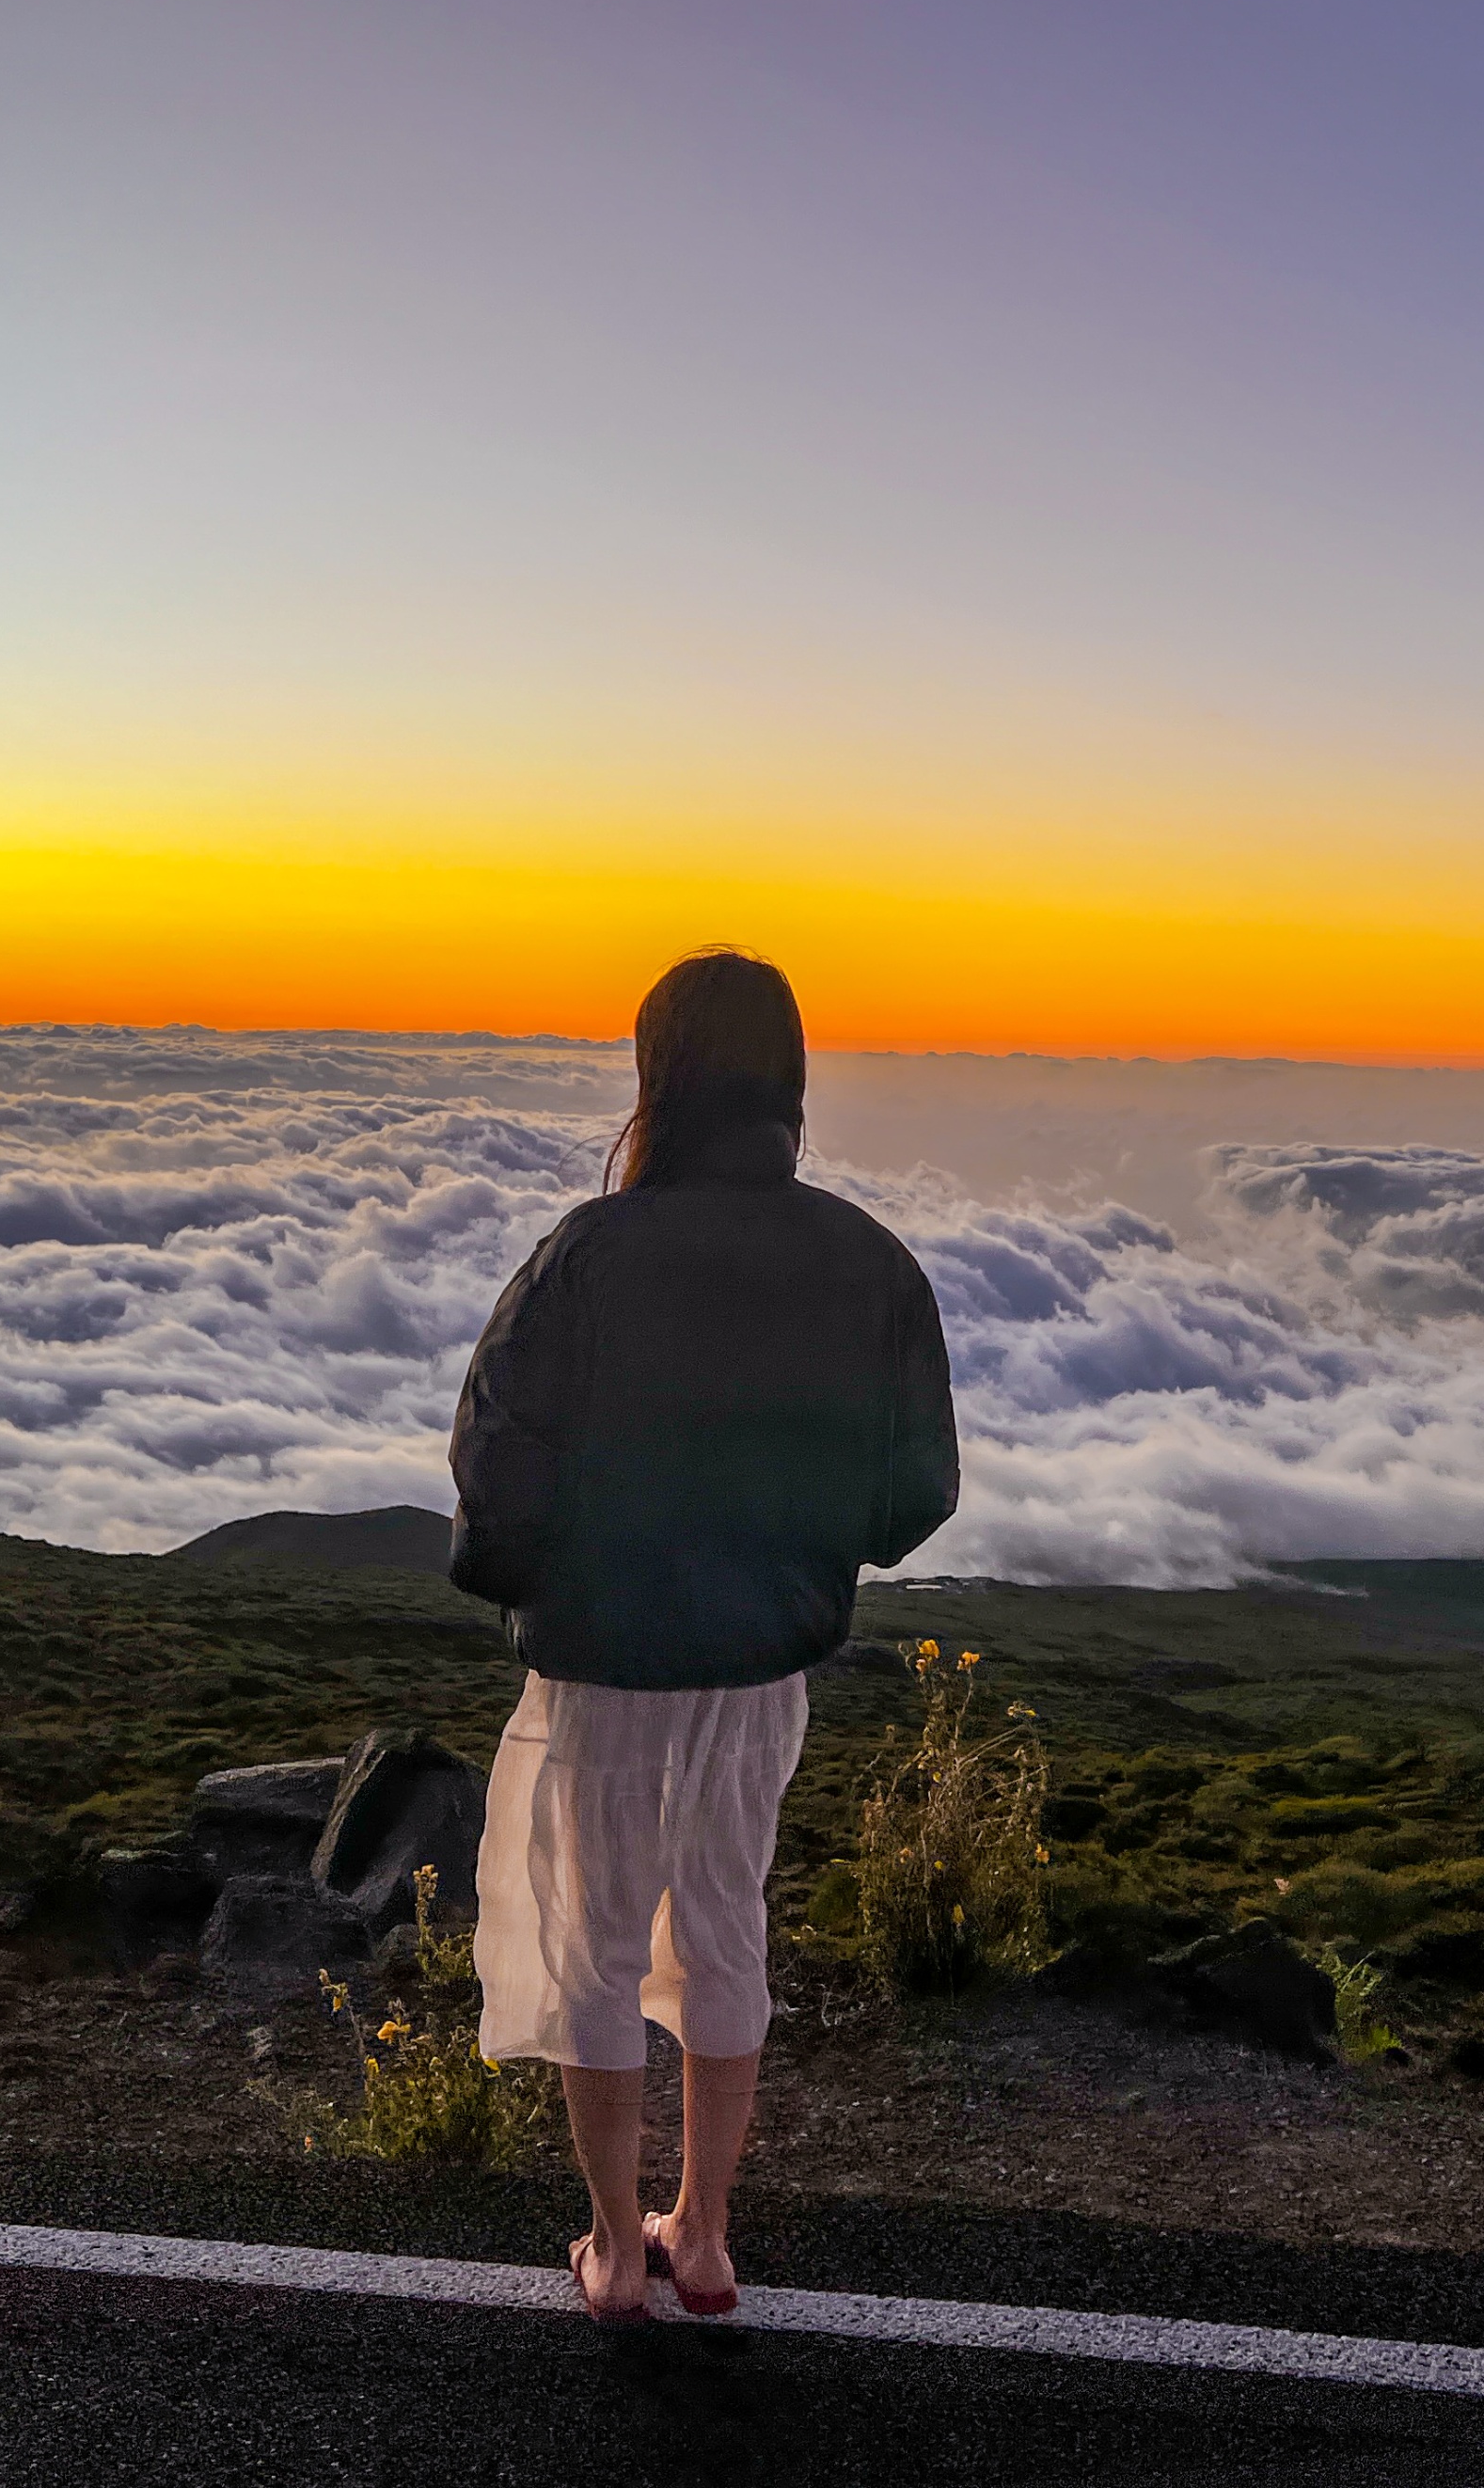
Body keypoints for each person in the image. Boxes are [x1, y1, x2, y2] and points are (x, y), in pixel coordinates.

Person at [448, 947, 959, 2325]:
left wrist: (530, 1590)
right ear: (788, 1080)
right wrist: (788, 1549)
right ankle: (710, 2236)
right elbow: (916, 1498)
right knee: (726, 1930)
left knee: (598, 1947)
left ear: (655, 1076)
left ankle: (617, 2251)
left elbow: (499, 1465)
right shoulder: (868, 1262)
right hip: (762, 1665)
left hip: (607, 1663)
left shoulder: (588, 1256)